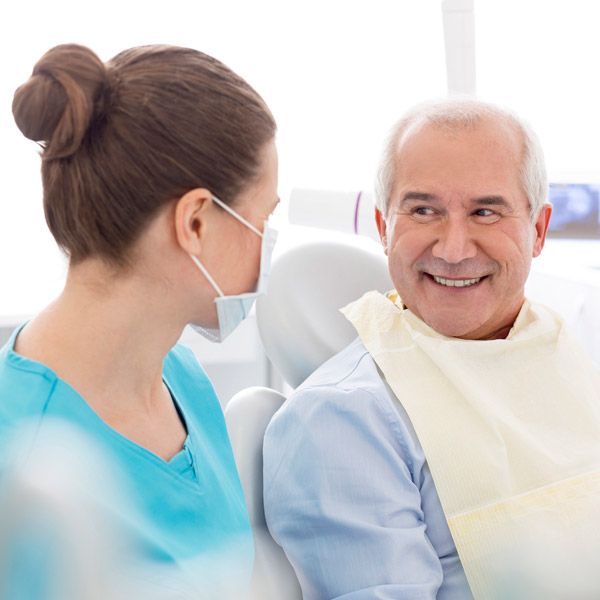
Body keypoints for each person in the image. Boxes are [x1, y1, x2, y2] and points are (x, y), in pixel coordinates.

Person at [263, 98, 600, 599]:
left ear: (539, 231)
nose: (453, 249)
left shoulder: (559, 349)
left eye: (486, 211)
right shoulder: (347, 417)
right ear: (383, 226)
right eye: (424, 211)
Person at [0, 43, 278, 598]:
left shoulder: (183, 376)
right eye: (262, 220)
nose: (270, 248)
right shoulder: (21, 460)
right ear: (196, 223)